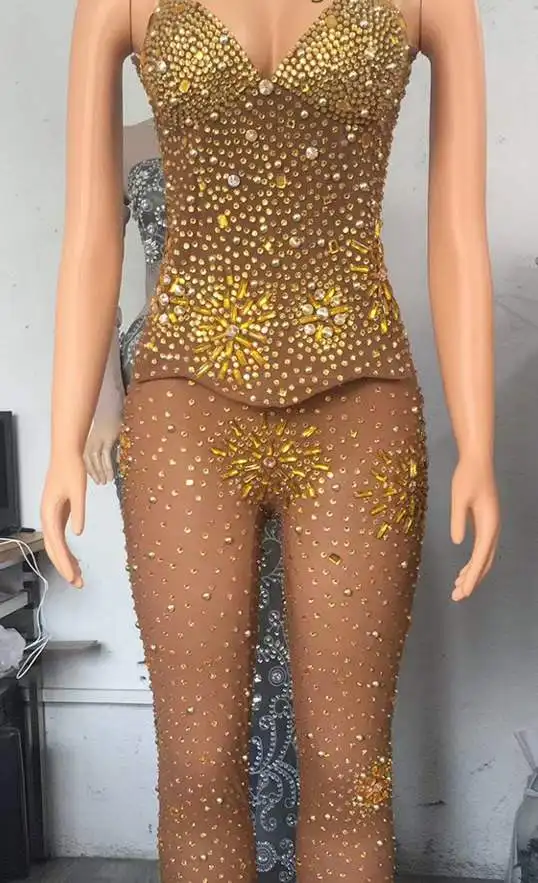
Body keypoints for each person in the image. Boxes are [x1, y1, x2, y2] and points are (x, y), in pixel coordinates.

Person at [41, 1, 500, 880]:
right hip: (183, 414)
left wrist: (478, 443)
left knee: (350, 773)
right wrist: (67, 436)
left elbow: (458, 231)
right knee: (198, 770)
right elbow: (92, 235)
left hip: (362, 407)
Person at [83, 120, 298, 878]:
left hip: (282, 377)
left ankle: (290, 857)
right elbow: (94, 284)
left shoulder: (292, 118)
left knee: (291, 634)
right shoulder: (124, 142)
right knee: (191, 638)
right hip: (163, 392)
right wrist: (104, 406)